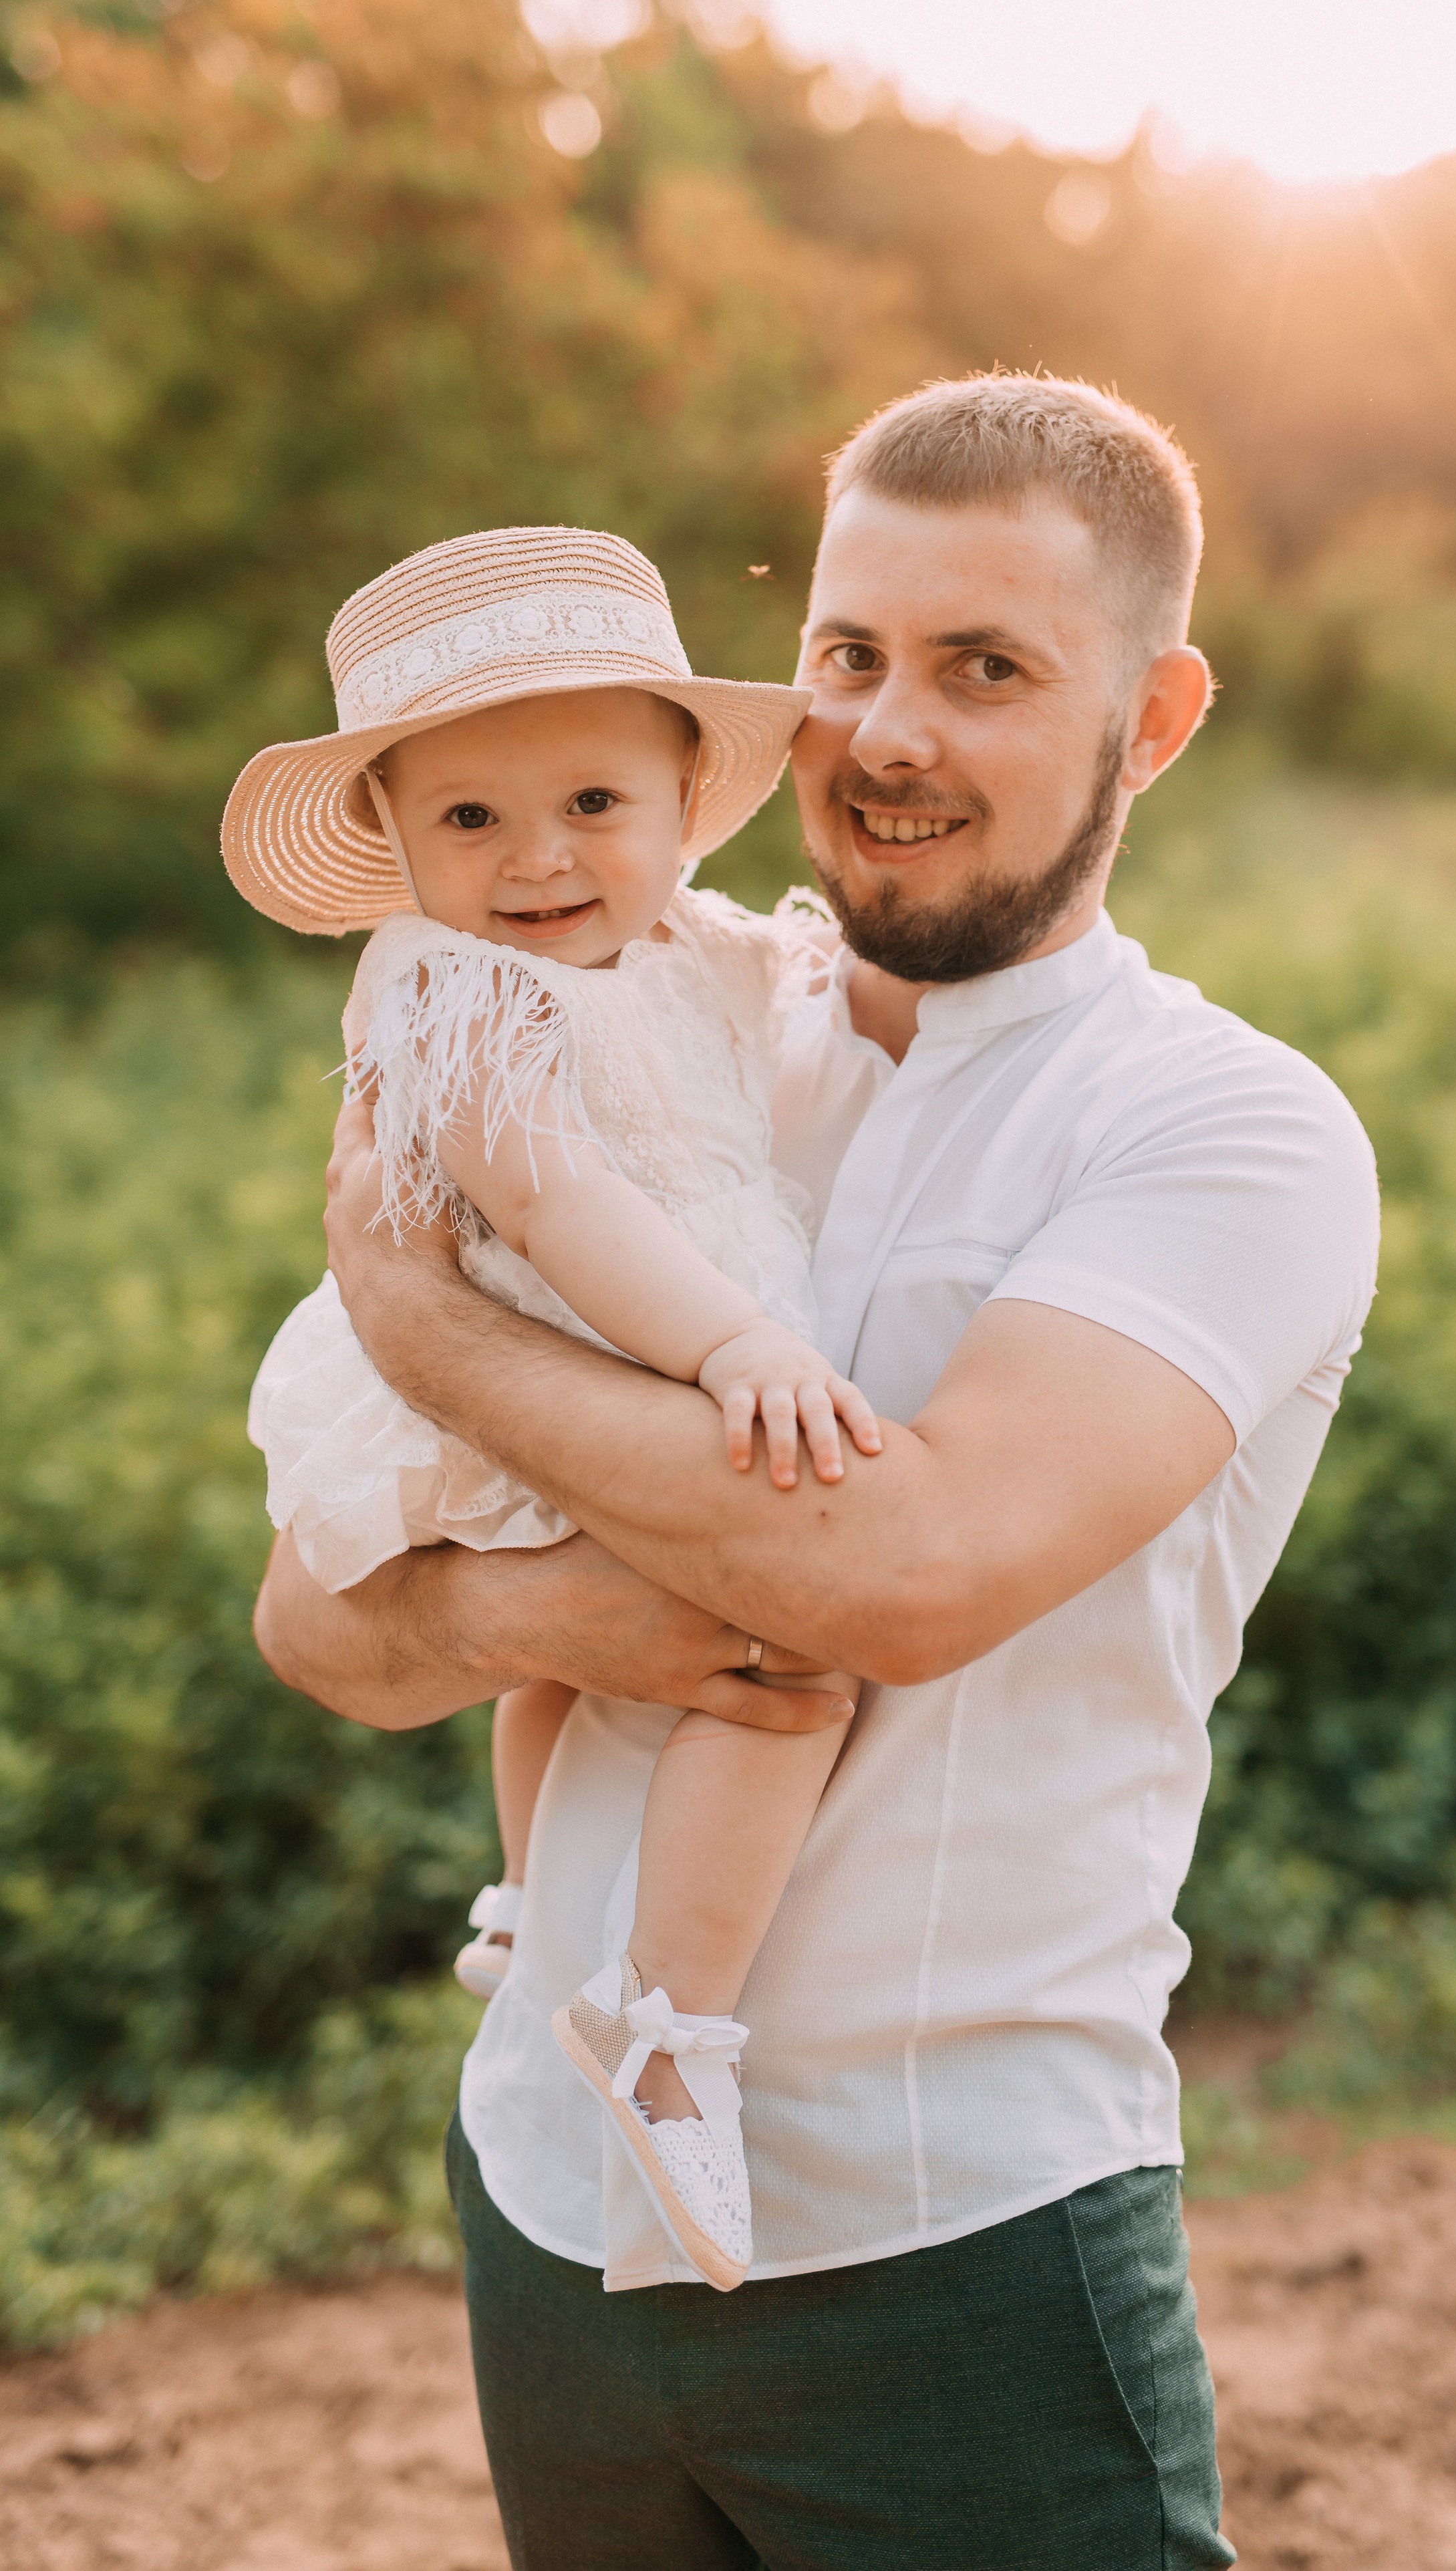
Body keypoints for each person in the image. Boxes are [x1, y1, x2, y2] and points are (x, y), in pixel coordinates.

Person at [255, 374, 1380, 2571]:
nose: (889, 732)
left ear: (1149, 721)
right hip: (547, 2209)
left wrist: (427, 1328)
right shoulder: (628, 1008)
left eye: (986, 670)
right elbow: (322, 1621)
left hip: (949, 2233)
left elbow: (909, 1577)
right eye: (852, 656)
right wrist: (553, 1606)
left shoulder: (1221, 1131)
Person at [225, 525, 881, 2294]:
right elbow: (556, 1206)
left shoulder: (688, 944)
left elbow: (781, 986)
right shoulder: (446, 987)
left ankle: (528, 1909)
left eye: (593, 800)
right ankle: (673, 2022)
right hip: (578, 1352)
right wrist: (734, 1345)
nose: (537, 861)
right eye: (469, 823)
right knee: (782, 1677)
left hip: (621, 1347)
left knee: (566, 1665)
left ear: (685, 799)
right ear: (398, 847)